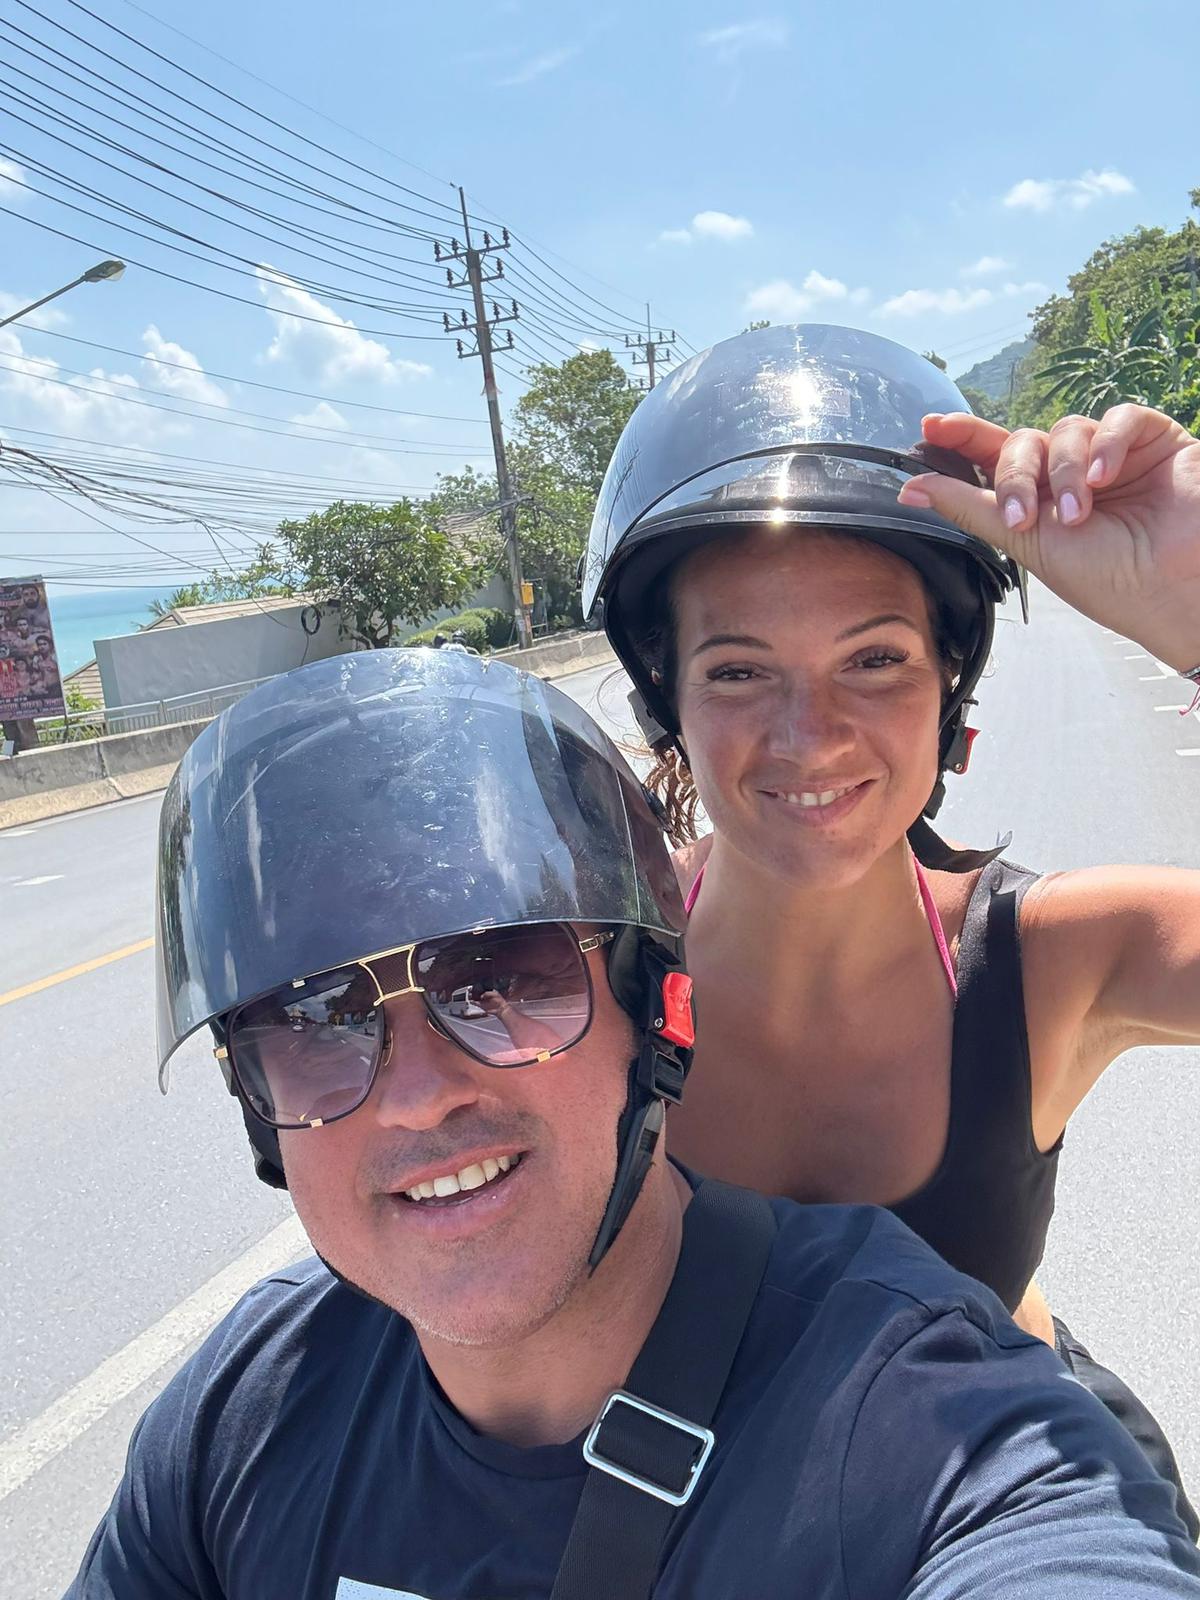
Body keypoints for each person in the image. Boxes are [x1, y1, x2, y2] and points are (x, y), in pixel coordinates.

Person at [68, 649, 1200, 1599]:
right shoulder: (247, 1415)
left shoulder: (924, 1429)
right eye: (313, 1017)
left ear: (654, 1007)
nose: (417, 1096)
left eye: (501, 977)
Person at [583, 321, 1200, 1528]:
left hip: (1024, 1512)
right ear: (669, 700)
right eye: (739, 670)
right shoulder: (587, 979)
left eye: (874, 660)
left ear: (949, 684)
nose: (810, 737)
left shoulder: (1052, 961)